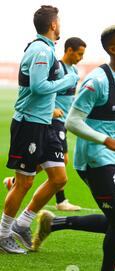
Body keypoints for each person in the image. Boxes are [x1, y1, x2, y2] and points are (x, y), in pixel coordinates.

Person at [33, 24, 115, 271]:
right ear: (113, 48)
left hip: (111, 155)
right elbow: (73, 121)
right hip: (94, 159)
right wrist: (105, 141)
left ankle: (56, 223)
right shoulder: (97, 80)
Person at [0, 5, 79, 254]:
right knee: (23, 182)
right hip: (29, 123)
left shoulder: (45, 49)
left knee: (58, 178)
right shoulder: (41, 50)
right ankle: (2, 235)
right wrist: (68, 80)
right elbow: (38, 87)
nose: (60, 25)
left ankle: (22, 224)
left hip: (44, 124)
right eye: (59, 21)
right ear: (53, 25)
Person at [3, 38, 86, 211]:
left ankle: (15, 182)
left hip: (62, 121)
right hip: (49, 120)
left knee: (54, 161)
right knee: (61, 160)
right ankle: (61, 200)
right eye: (79, 53)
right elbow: (46, 90)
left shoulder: (74, 70)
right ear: (69, 50)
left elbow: (69, 97)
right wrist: (52, 109)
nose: (81, 57)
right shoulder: (57, 68)